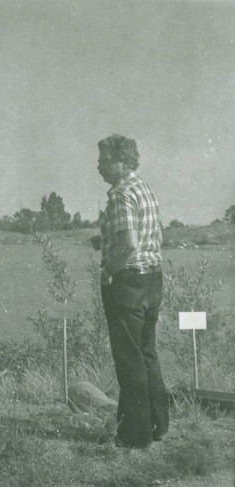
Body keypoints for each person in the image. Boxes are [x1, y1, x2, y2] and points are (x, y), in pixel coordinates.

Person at [94, 134, 168, 448]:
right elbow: (155, 235)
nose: (98, 166)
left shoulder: (121, 194)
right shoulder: (144, 188)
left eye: (104, 159)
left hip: (129, 281)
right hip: (153, 278)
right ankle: (158, 427)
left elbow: (129, 245)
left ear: (123, 161)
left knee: (129, 360)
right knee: (147, 354)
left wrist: (106, 272)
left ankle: (135, 438)